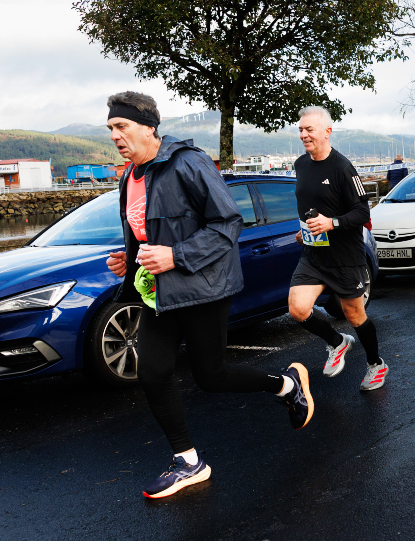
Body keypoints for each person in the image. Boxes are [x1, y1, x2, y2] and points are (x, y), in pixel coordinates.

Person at [104, 92, 313, 499]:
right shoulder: (129, 176)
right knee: (151, 372)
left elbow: (227, 224)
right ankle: (188, 462)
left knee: (211, 376)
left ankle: (287, 385)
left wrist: (175, 256)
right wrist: (127, 260)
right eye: (111, 128)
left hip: (202, 287)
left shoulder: (188, 163)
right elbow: (148, 233)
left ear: (149, 128)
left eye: (121, 126)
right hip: (159, 292)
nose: (115, 135)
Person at [287, 106, 388, 391]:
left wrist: (331, 222)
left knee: (354, 314)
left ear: (327, 132)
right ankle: (336, 342)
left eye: (309, 130)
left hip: (345, 257)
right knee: (297, 308)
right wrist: (304, 230)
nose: (304, 135)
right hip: (314, 254)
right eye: (301, 130)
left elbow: (362, 211)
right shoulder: (300, 165)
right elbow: (311, 206)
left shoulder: (343, 168)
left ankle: (375, 364)